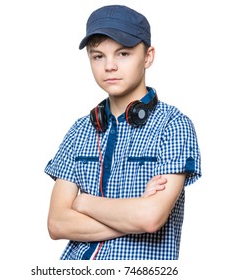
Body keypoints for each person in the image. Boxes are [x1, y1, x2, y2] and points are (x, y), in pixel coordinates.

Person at [44, 5, 201, 260]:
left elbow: (150, 218)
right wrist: (133, 215)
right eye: (98, 56)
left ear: (148, 56)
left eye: (123, 54)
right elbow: (57, 223)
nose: (109, 66)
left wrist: (83, 203)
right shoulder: (78, 131)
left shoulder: (173, 126)